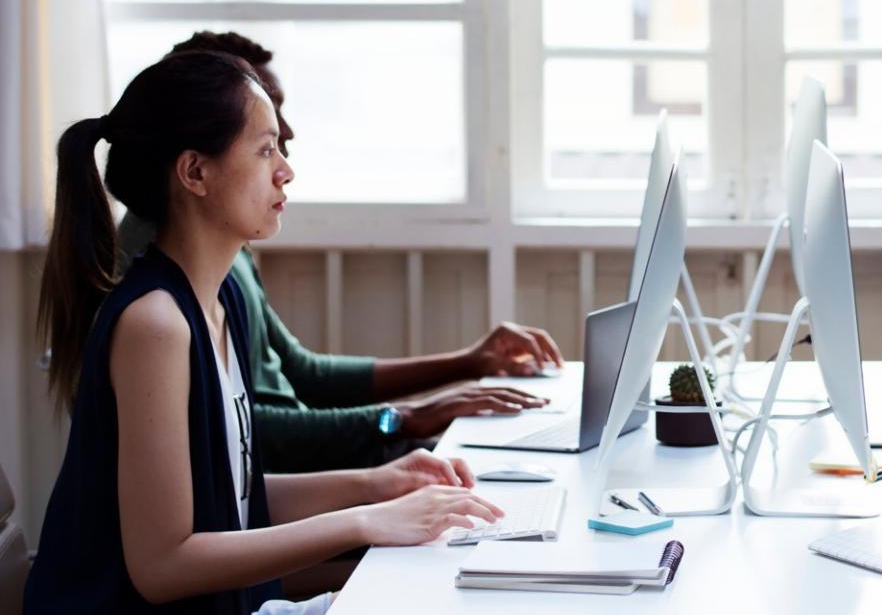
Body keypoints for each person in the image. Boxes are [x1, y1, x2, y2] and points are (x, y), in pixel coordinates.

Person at [24, 51, 503, 615]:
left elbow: (234, 497)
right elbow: (162, 566)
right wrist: (365, 520)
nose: (286, 170)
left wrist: (377, 484)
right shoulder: (155, 324)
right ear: (194, 172)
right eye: (265, 149)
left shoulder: (223, 298)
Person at [117, 31, 564, 472]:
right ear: (194, 169)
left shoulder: (227, 268)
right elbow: (237, 439)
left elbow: (299, 375)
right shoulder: (164, 294)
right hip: (292, 475)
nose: (287, 137)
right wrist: (401, 420)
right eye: (265, 137)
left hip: (290, 482)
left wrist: (466, 364)